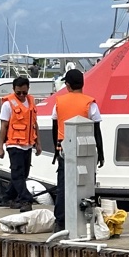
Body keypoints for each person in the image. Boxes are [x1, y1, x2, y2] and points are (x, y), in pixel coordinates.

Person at [51, 68, 104, 232]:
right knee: (86, 185)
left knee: (63, 186)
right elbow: (97, 130)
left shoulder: (59, 102)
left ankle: (60, 222)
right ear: (83, 84)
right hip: (85, 150)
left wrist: (55, 149)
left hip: (64, 148)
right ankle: (86, 220)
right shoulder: (90, 103)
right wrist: (101, 153)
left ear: (66, 85)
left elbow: (55, 127)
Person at [0, 76, 40, 211]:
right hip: (14, 144)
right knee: (17, 174)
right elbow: (3, 126)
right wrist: (0, 147)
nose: (21, 95)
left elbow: (34, 124)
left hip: (27, 144)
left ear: (28, 90)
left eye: (24, 93)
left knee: (24, 173)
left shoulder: (31, 102)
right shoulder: (8, 104)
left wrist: (38, 143)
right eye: (18, 92)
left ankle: (8, 197)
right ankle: (26, 200)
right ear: (13, 90)